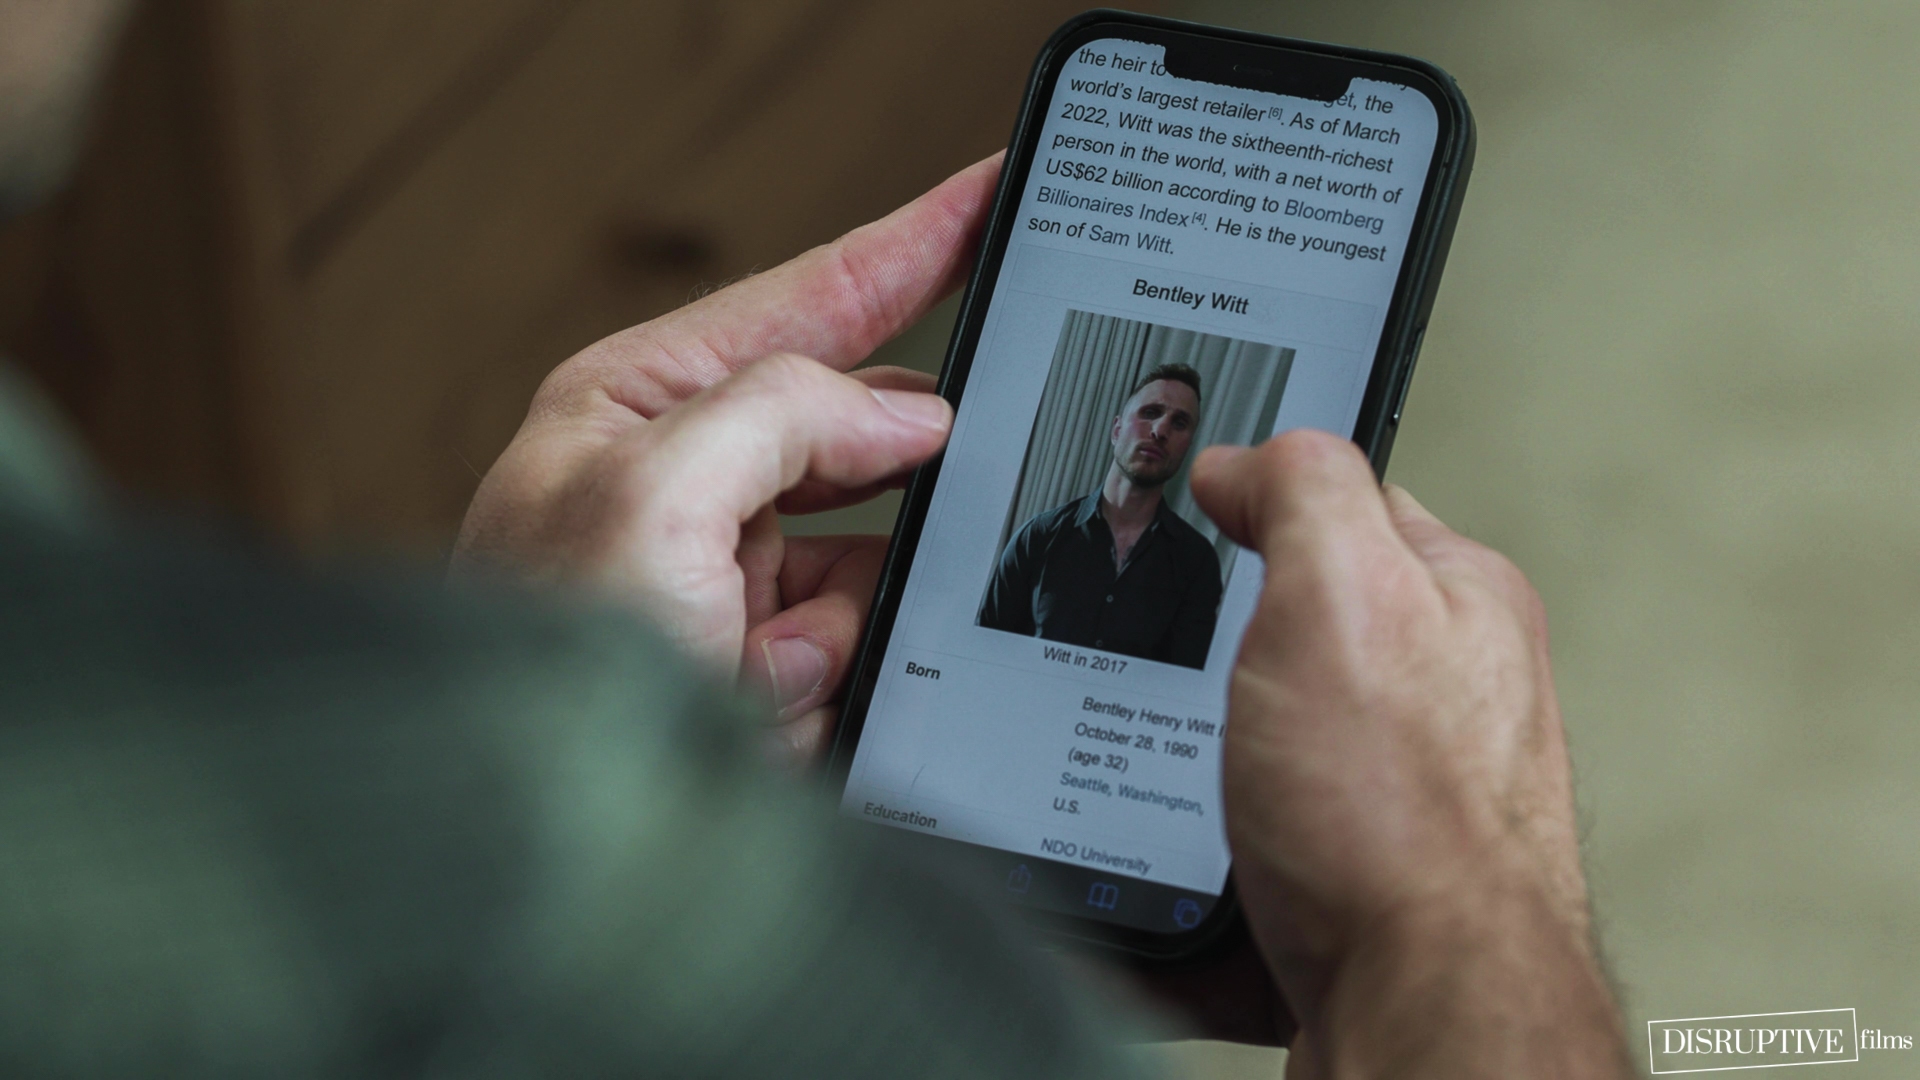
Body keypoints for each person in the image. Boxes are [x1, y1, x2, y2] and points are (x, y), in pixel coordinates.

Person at [1, 4, 1641, 1076]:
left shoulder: (1206, 578)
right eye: (1137, 412)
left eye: (1173, 418)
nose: (1150, 435)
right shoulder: (571, 895)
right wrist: (1457, 906)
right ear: (1118, 427)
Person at [979, 364, 1223, 669]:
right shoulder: (1039, 536)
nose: (1161, 431)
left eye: (1180, 423)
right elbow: (984, 652)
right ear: (1116, 430)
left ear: (1187, 447)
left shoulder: (1197, 562)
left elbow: (1181, 681)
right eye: (1150, 412)